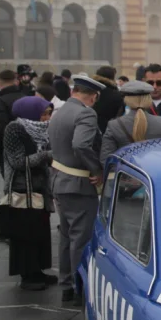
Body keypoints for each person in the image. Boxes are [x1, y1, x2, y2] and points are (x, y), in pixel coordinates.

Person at [48, 74, 104, 303]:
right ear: (93, 96)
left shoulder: (60, 111)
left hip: (59, 180)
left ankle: (67, 284)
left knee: (66, 236)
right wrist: (96, 170)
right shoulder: (86, 113)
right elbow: (81, 145)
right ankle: (80, 285)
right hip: (78, 183)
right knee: (81, 237)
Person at [2, 96, 55, 291]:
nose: (46, 118)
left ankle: (37, 270)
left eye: (49, 113)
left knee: (39, 232)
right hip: (21, 188)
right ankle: (27, 275)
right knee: (25, 234)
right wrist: (46, 155)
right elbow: (18, 162)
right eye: (43, 114)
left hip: (39, 187)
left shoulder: (44, 130)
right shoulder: (14, 129)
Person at [100, 80, 161, 163]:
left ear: (126, 100)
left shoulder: (114, 125)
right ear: (149, 99)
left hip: (125, 173)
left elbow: (106, 158)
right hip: (155, 173)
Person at [92, 66, 125, 133]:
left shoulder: (90, 91)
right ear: (112, 78)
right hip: (109, 131)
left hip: (89, 129)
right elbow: (120, 114)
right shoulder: (116, 94)